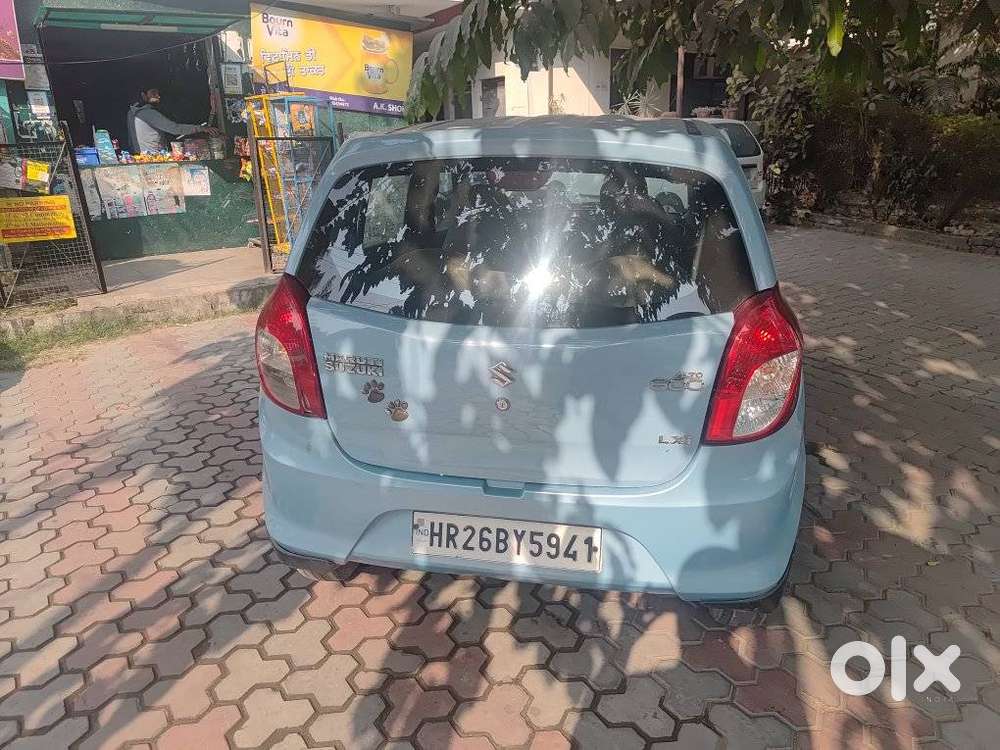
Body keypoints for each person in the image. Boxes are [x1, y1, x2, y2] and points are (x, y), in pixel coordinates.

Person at [127, 87, 218, 154]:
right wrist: (201, 128)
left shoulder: (131, 113)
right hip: (154, 157)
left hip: (141, 156)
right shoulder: (147, 113)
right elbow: (175, 129)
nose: (158, 96)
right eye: (153, 93)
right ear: (143, 95)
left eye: (158, 93)